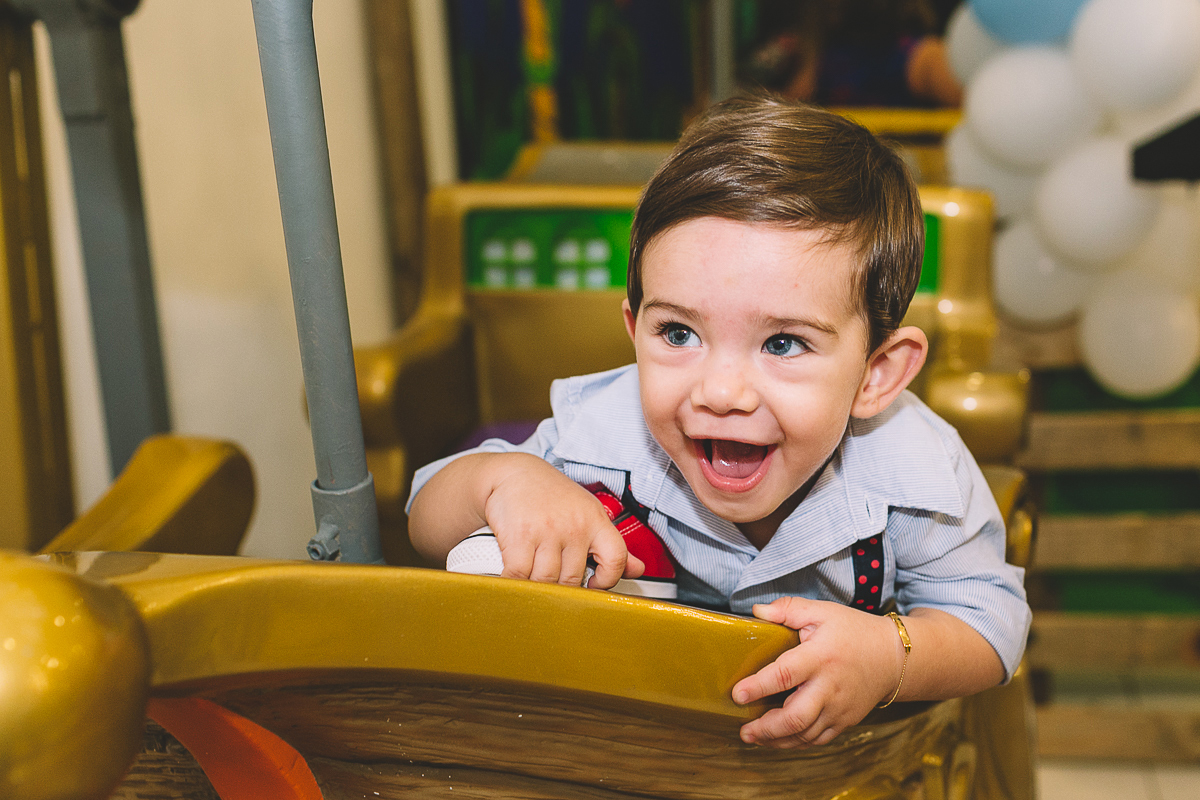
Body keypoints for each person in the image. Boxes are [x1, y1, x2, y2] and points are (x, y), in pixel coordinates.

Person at [406, 93, 1030, 749]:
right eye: (678, 332)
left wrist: (892, 655)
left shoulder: (916, 474)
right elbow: (422, 518)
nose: (722, 391)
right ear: (633, 330)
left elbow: (992, 623)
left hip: (824, 769)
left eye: (783, 343)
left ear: (877, 373)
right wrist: (505, 481)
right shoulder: (604, 433)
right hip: (638, 743)